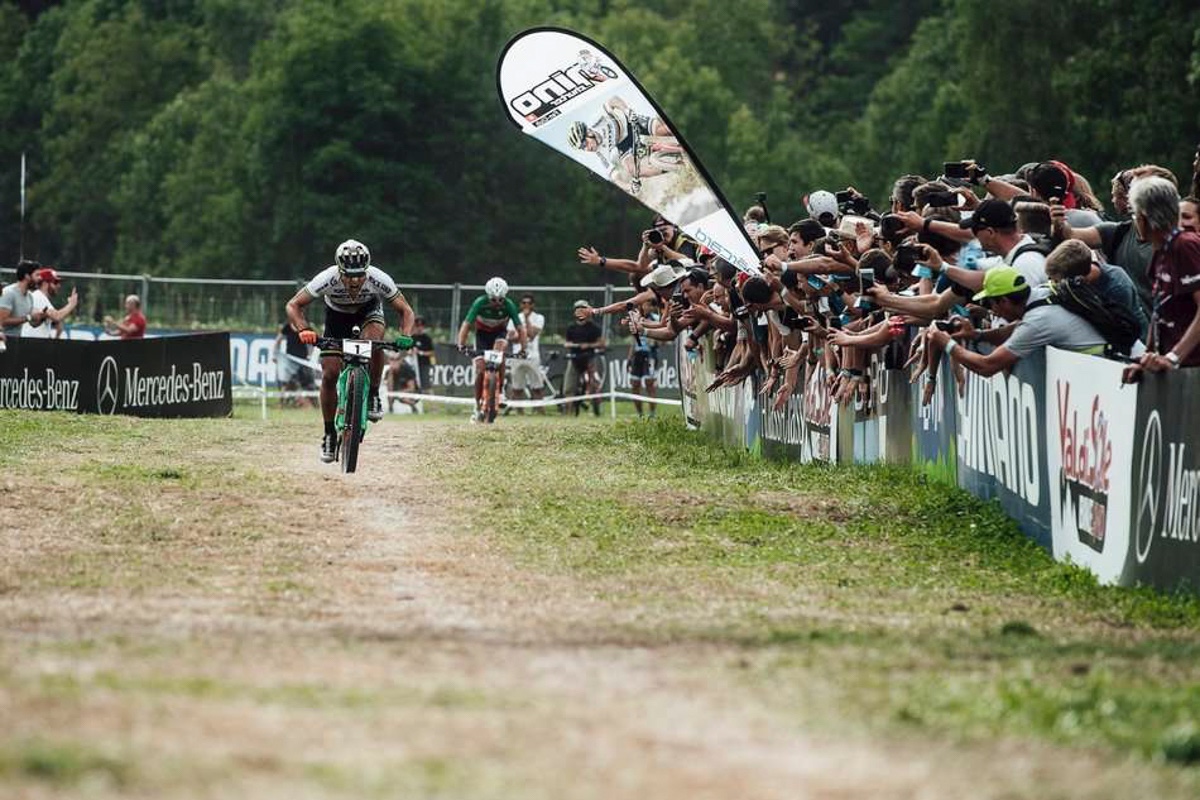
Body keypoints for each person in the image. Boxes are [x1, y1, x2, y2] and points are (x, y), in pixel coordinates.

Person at [285, 239, 416, 462]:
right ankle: (328, 433)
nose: (355, 281)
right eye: (349, 275)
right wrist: (304, 329)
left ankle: (373, 394)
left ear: (367, 270)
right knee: (329, 374)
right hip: (337, 317)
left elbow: (406, 311)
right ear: (339, 270)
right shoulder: (327, 278)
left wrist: (406, 335)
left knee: (374, 342)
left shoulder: (378, 278)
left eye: (360, 274)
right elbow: (293, 305)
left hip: (368, 312)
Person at [928, 266, 1107, 378]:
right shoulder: (1041, 294)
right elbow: (1014, 329)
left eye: (989, 303)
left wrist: (947, 344)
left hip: (1102, 373)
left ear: (1004, 301)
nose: (990, 310)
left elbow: (987, 366)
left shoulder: (1038, 321)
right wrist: (977, 335)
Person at [1122, 177, 1200, 379]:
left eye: (1134, 214)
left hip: (1191, 369)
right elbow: (1159, 310)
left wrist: (1174, 357)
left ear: (1144, 218)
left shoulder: (1185, 245)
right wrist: (1147, 359)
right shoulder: (1160, 250)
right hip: (1173, 370)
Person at [455, 277, 526, 422]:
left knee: (499, 352)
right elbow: (466, 325)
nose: (497, 303)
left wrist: (524, 348)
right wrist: (461, 344)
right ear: (488, 296)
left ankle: (500, 392)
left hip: (499, 334)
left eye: (501, 300)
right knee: (480, 370)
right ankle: (476, 405)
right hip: (481, 336)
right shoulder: (480, 303)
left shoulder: (509, 305)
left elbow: (520, 328)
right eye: (494, 300)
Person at [563, 299, 605, 416]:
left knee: (593, 386)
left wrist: (588, 345)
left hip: (589, 358)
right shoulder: (571, 328)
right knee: (569, 387)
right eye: (578, 310)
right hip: (574, 358)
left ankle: (596, 409)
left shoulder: (594, 328)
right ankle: (569, 413)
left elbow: (601, 343)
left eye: (583, 309)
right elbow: (566, 343)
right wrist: (575, 345)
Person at [507, 293, 546, 414]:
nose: (526, 305)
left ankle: (540, 412)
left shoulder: (539, 318)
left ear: (533, 305)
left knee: (537, 387)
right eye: (523, 303)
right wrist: (523, 335)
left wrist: (527, 320)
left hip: (532, 356)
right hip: (517, 355)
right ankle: (520, 413)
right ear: (520, 305)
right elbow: (511, 337)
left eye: (529, 303)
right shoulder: (514, 317)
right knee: (517, 388)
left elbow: (532, 335)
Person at [0, 261, 54, 339]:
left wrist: (42, 316)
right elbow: (2, 321)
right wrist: (29, 317)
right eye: (37, 275)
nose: (40, 278)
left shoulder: (30, 296)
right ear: (27, 276)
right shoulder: (9, 293)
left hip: (16, 342)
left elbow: (33, 324)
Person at [20, 268, 78, 339]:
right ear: (45, 283)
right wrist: (71, 304)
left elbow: (58, 323)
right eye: (55, 282)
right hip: (31, 344)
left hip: (34, 343)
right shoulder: (38, 296)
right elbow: (57, 316)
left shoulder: (42, 298)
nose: (59, 286)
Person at [627, 300, 661, 418]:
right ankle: (640, 414)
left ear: (651, 307)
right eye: (641, 305)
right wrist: (629, 358)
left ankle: (652, 414)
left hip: (650, 354)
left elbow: (664, 339)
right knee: (635, 384)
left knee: (649, 384)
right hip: (637, 354)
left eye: (646, 305)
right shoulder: (635, 317)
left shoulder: (656, 319)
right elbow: (633, 340)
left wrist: (655, 340)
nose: (643, 307)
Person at [272, 318, 315, 408]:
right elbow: (278, 340)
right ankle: (282, 403)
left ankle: (310, 403)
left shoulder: (306, 327)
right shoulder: (287, 327)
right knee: (285, 382)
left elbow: (312, 342)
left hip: (303, 361)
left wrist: (310, 355)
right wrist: (275, 355)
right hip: (289, 360)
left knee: (306, 383)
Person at [410, 317, 435, 392]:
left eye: (421, 326)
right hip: (413, 365)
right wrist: (411, 352)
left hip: (424, 364)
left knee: (426, 384)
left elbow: (431, 353)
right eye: (417, 326)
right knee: (414, 383)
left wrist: (420, 353)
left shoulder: (427, 338)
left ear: (423, 327)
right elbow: (408, 350)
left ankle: (428, 397)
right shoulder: (412, 338)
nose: (419, 328)